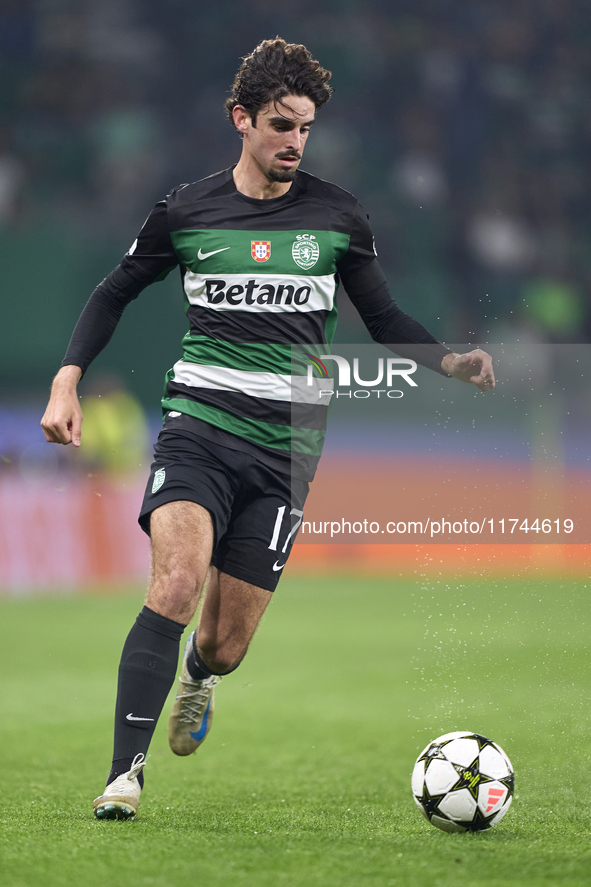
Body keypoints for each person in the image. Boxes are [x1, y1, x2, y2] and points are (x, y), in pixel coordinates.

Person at [41, 38, 495, 820]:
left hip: (286, 452)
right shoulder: (185, 211)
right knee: (176, 582)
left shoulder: (337, 215)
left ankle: (199, 679)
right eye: (281, 124)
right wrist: (68, 374)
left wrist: (446, 360)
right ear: (240, 119)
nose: (294, 141)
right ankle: (124, 775)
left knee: (224, 644)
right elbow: (112, 293)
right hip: (197, 428)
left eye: (306, 128)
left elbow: (382, 319)